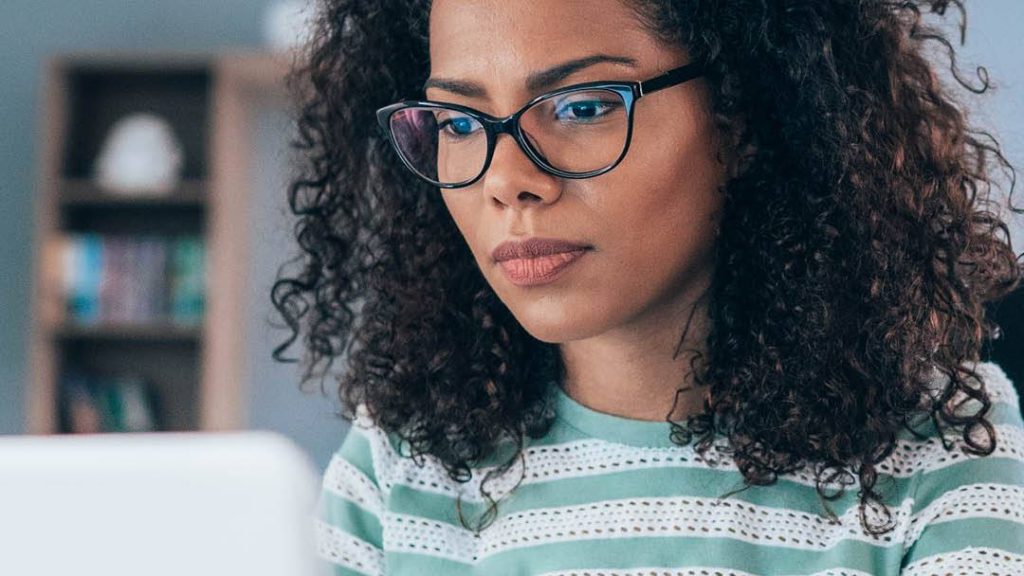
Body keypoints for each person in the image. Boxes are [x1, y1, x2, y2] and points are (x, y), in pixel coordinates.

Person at [271, 0, 1024, 574]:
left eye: (582, 107)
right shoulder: (401, 462)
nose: (507, 183)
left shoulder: (942, 449)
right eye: (460, 124)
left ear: (741, 117)